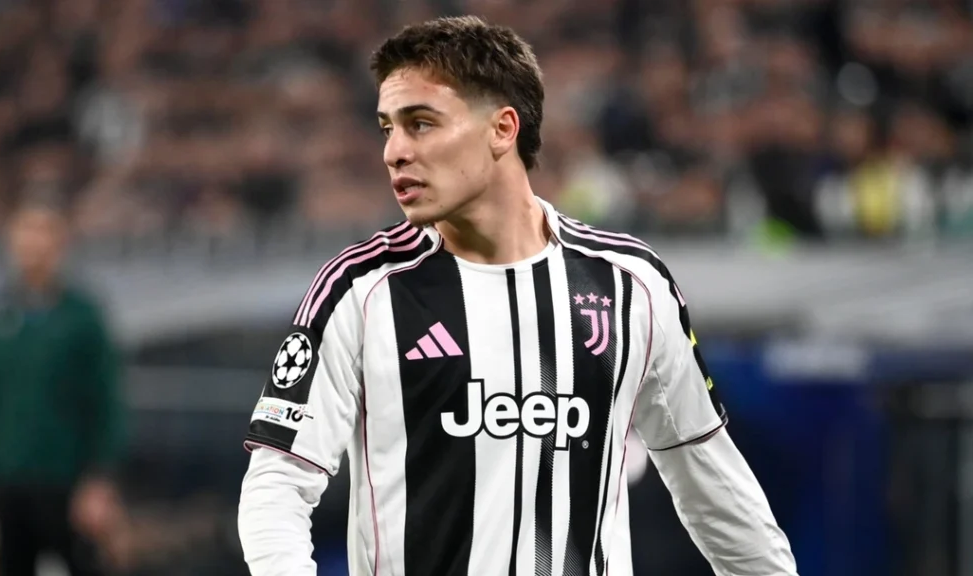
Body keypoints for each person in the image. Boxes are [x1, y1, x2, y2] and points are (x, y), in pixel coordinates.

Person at [238, 15, 797, 576]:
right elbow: (278, 484)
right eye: (388, 128)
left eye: (421, 123)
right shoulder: (359, 289)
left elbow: (713, 484)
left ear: (503, 129)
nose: (395, 152)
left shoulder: (631, 285)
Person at [0, 193, 125, 576]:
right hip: (6, 480)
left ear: (60, 244)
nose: (33, 245)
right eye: (25, 234)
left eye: (43, 234)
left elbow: (106, 400)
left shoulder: (83, 317)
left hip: (66, 480)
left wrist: (99, 478)